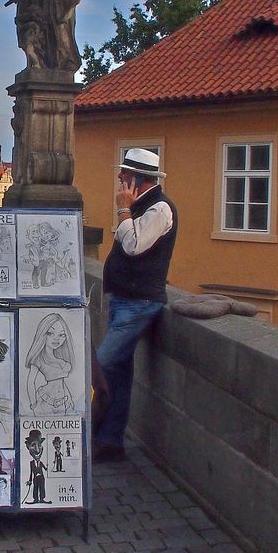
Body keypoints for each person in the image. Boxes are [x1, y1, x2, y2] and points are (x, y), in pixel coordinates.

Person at [94, 148, 178, 463]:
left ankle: (91, 433)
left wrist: (123, 212)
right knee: (117, 375)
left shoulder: (160, 209)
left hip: (139, 303)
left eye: (124, 174)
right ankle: (110, 442)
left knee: (100, 367)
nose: (119, 178)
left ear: (137, 180)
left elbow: (134, 246)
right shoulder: (143, 206)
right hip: (126, 300)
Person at [24, 313, 76, 416]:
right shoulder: (38, 359)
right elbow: (30, 382)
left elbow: (61, 383)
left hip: (62, 401)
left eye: (62, 335)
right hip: (45, 400)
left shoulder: (61, 360)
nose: (56, 339)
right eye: (50, 333)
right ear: (43, 334)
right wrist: (33, 402)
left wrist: (69, 398)